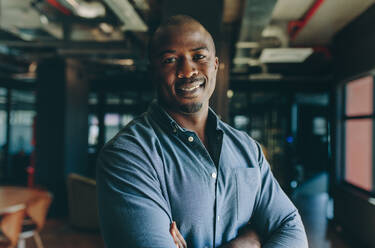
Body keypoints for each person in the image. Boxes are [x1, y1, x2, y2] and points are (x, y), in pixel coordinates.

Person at [96, 15, 308, 248]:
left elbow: (290, 227)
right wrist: (245, 243)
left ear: (215, 65)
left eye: (199, 56)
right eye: (170, 60)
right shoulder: (127, 156)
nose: (187, 71)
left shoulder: (248, 149)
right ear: (153, 72)